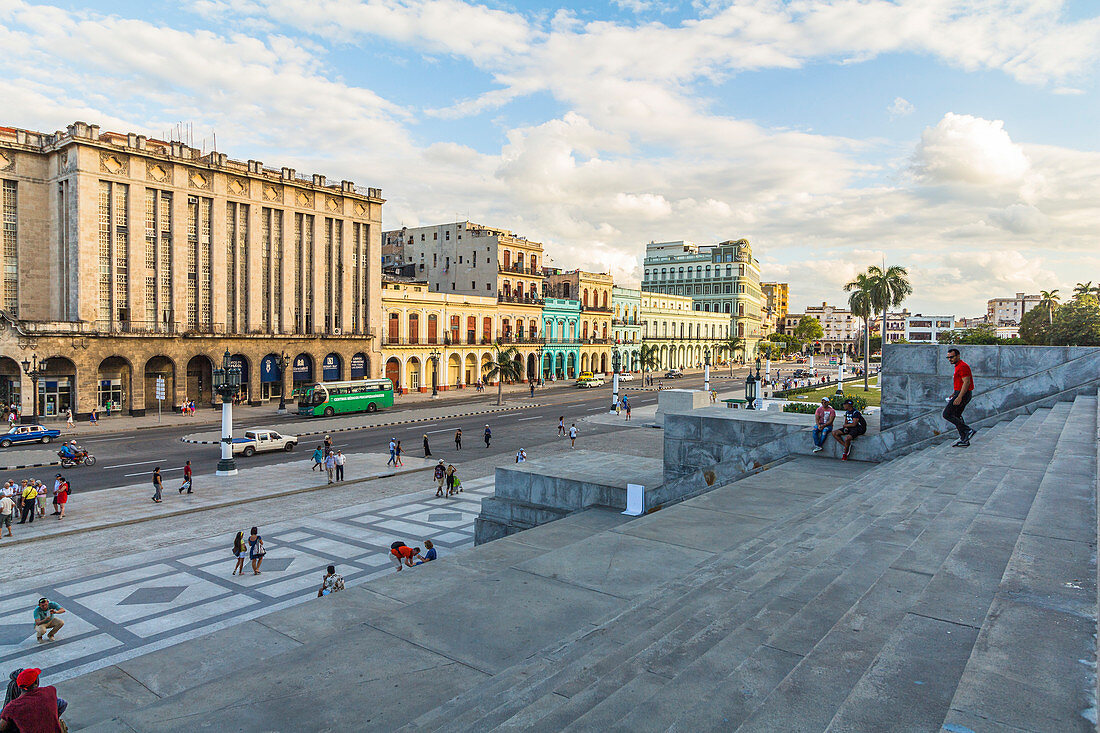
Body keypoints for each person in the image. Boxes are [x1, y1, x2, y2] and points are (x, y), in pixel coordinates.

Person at [0, 668, 66, 733]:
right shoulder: (50, 691)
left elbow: (1, 728)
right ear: (36, 682)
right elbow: (63, 704)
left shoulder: (12, 707)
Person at [944, 347, 977, 447]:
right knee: (956, 415)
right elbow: (960, 382)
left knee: (947, 414)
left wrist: (959, 397)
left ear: (958, 356)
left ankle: (968, 431)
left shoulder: (962, 366)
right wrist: (954, 394)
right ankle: (964, 439)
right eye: (948, 357)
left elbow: (966, 382)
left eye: (952, 357)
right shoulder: (958, 366)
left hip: (963, 394)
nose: (950, 359)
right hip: (959, 393)